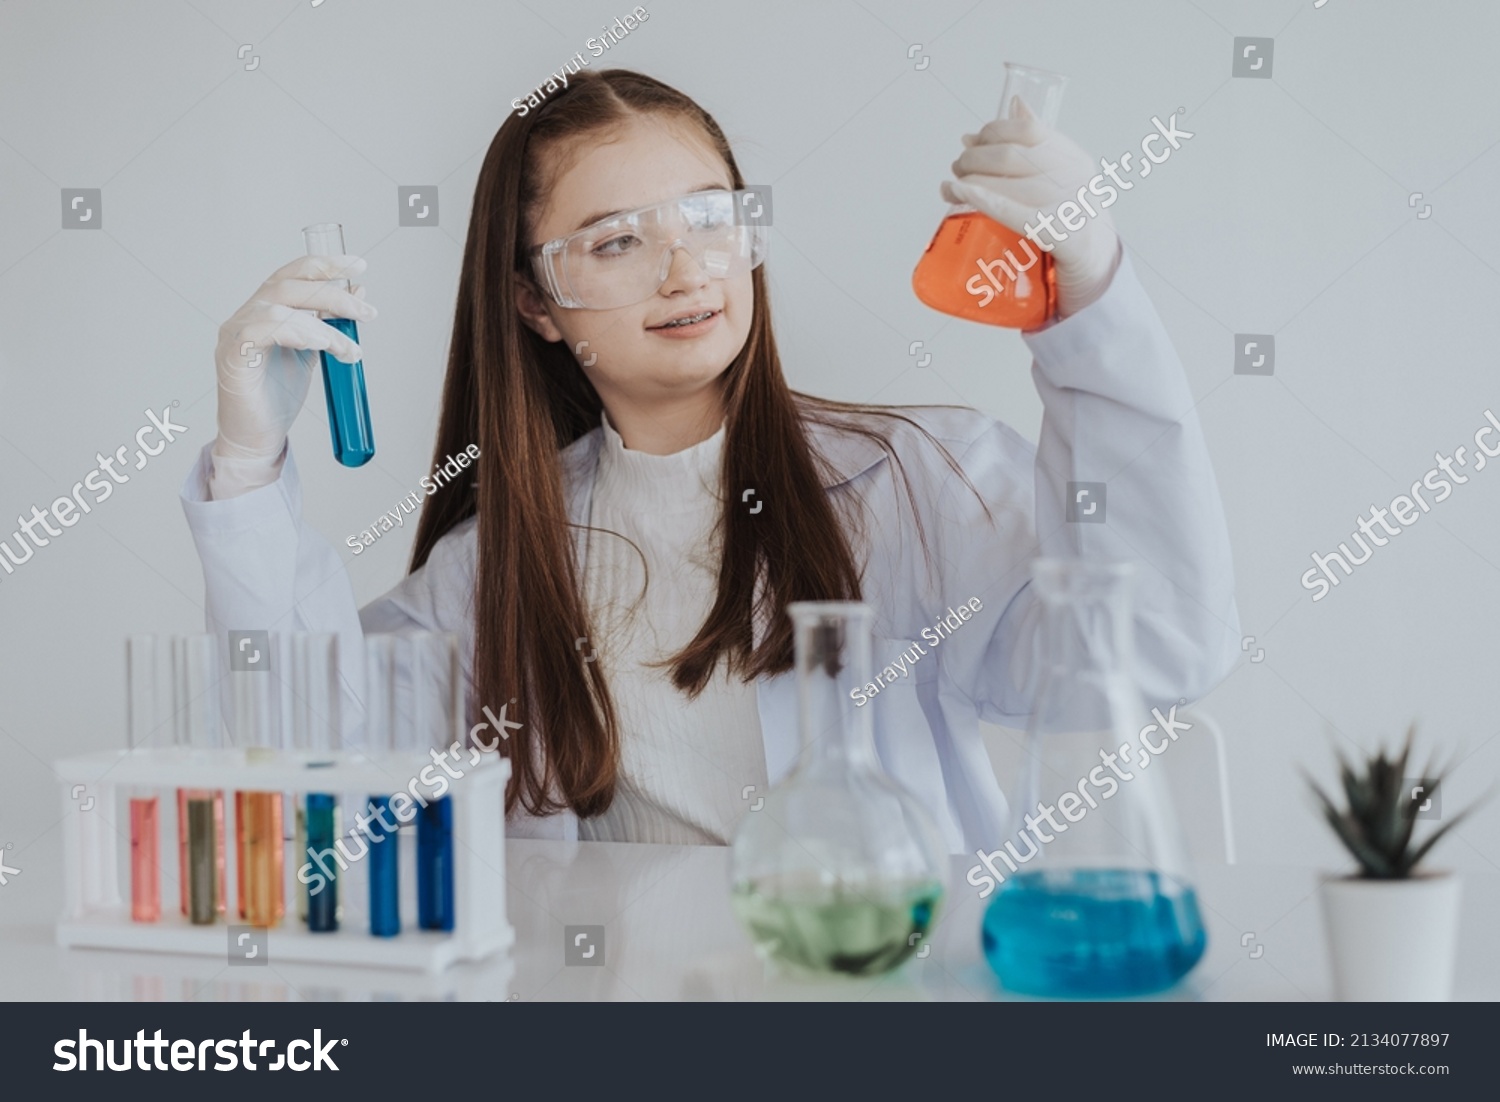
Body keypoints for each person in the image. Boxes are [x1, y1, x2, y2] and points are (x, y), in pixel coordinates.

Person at [182, 68, 1239, 853]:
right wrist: (249, 456)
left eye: (708, 218)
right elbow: (311, 766)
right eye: (613, 241)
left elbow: (1161, 643)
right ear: (533, 305)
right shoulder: (501, 562)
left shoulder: (918, 478)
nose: (685, 265)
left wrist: (1091, 295)